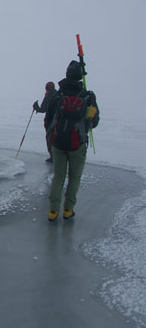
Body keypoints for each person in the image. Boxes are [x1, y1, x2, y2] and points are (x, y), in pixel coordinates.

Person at [46, 60, 99, 221]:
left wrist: (51, 136)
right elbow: (94, 122)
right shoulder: (87, 96)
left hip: (58, 143)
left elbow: (49, 118)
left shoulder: (58, 95)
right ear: (80, 76)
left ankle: (53, 211)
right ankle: (68, 210)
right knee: (74, 178)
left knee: (58, 177)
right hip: (78, 144)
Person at [33, 81, 58, 162]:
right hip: (59, 120)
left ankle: (53, 157)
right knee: (57, 138)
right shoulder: (58, 95)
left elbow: (43, 109)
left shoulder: (49, 96)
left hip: (50, 121)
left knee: (50, 138)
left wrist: (35, 106)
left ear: (46, 89)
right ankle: (60, 156)